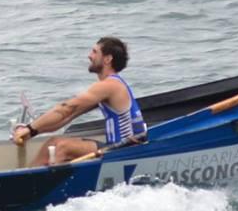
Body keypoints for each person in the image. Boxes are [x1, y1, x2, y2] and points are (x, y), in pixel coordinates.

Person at [11, 36, 146, 165]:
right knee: (52, 143)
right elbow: (66, 117)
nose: (89, 56)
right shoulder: (111, 86)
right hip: (116, 148)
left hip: (125, 151)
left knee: (61, 147)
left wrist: (29, 128)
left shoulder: (110, 85)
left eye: (95, 52)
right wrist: (32, 132)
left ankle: (38, 179)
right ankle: (30, 177)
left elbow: (66, 108)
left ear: (107, 59)